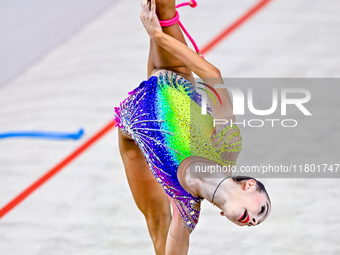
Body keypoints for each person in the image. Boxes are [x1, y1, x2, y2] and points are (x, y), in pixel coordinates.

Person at [115, 0, 271, 254]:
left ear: (223, 214)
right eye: (260, 211)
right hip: (173, 74)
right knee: (163, 6)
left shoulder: (186, 210)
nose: (253, 221)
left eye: (253, 223)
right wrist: (156, 36)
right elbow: (212, 75)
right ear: (249, 185)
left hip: (131, 138)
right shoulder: (228, 146)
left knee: (159, 231)